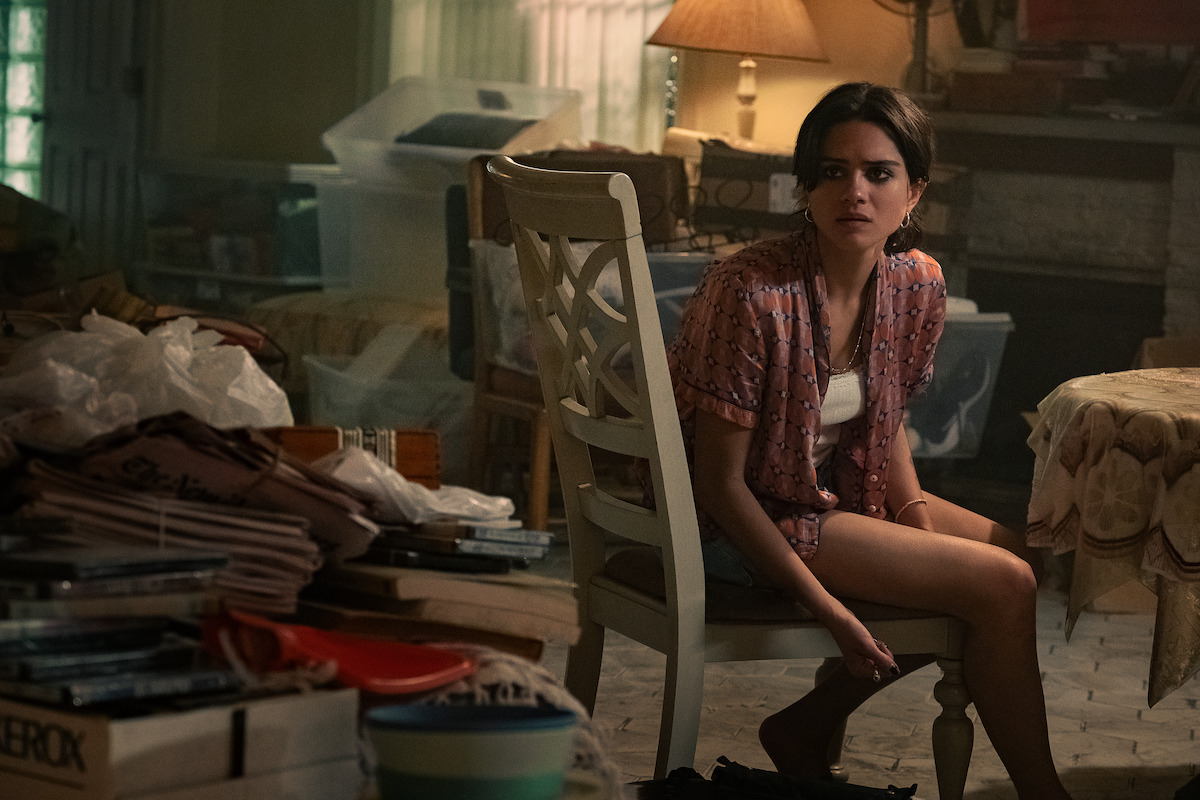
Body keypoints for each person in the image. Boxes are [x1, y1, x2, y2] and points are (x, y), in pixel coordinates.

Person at [667, 82, 1073, 800]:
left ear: (913, 191)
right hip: (739, 519)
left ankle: (806, 723)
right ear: (807, 187)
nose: (853, 191)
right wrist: (830, 610)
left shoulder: (916, 284)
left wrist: (913, 523)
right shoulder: (750, 292)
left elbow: (881, 427)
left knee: (1015, 558)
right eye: (832, 171)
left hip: (830, 496)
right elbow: (718, 486)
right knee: (1000, 586)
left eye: (878, 173)